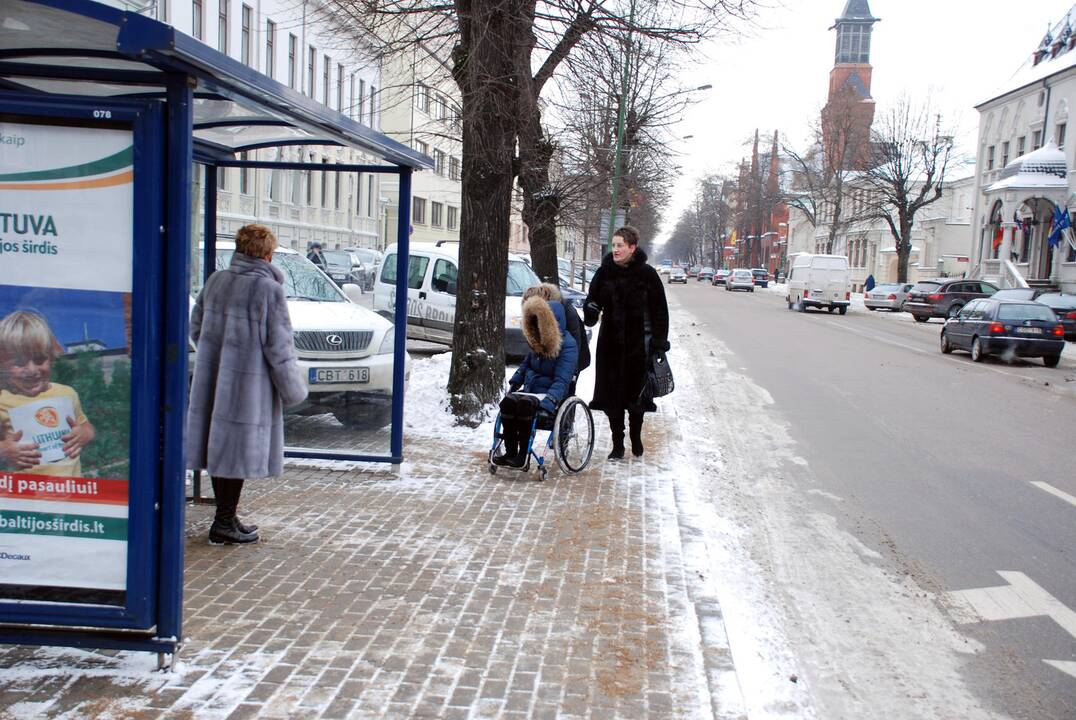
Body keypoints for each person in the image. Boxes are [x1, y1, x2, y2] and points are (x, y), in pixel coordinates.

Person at [187, 224, 307, 545]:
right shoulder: (268, 290)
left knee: (220, 450)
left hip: (214, 381)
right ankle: (223, 521)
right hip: (247, 388)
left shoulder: (216, 282)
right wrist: (292, 388)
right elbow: (279, 347)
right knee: (236, 452)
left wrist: (218, 355)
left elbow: (196, 328)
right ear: (267, 254)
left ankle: (226, 517)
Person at [583, 226, 669, 459]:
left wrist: (659, 343)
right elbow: (592, 303)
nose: (616, 249)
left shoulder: (647, 275)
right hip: (610, 345)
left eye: (620, 245)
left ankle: (635, 438)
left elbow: (660, 310)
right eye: (614, 245)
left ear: (632, 247)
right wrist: (590, 309)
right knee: (613, 397)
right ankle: (617, 444)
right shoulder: (604, 273)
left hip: (638, 347)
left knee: (636, 397)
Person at [0, 310, 96, 476]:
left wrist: (84, 434)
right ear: (3, 365)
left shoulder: (67, 394)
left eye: (39, 360)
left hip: (71, 493)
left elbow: (86, 426)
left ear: (51, 358)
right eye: (19, 362)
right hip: (25, 495)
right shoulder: (2, 399)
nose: (31, 370)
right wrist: (4, 450)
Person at [495, 295, 579, 468]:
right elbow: (526, 365)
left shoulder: (568, 346)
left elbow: (562, 381)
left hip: (549, 395)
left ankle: (522, 455)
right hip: (531, 390)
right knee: (508, 403)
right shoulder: (538, 342)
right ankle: (510, 452)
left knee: (525, 405)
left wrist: (550, 400)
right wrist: (515, 381)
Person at [521, 283, 590, 378]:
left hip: (572, 358)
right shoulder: (539, 314)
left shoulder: (567, 312)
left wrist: (572, 375)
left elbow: (575, 345)